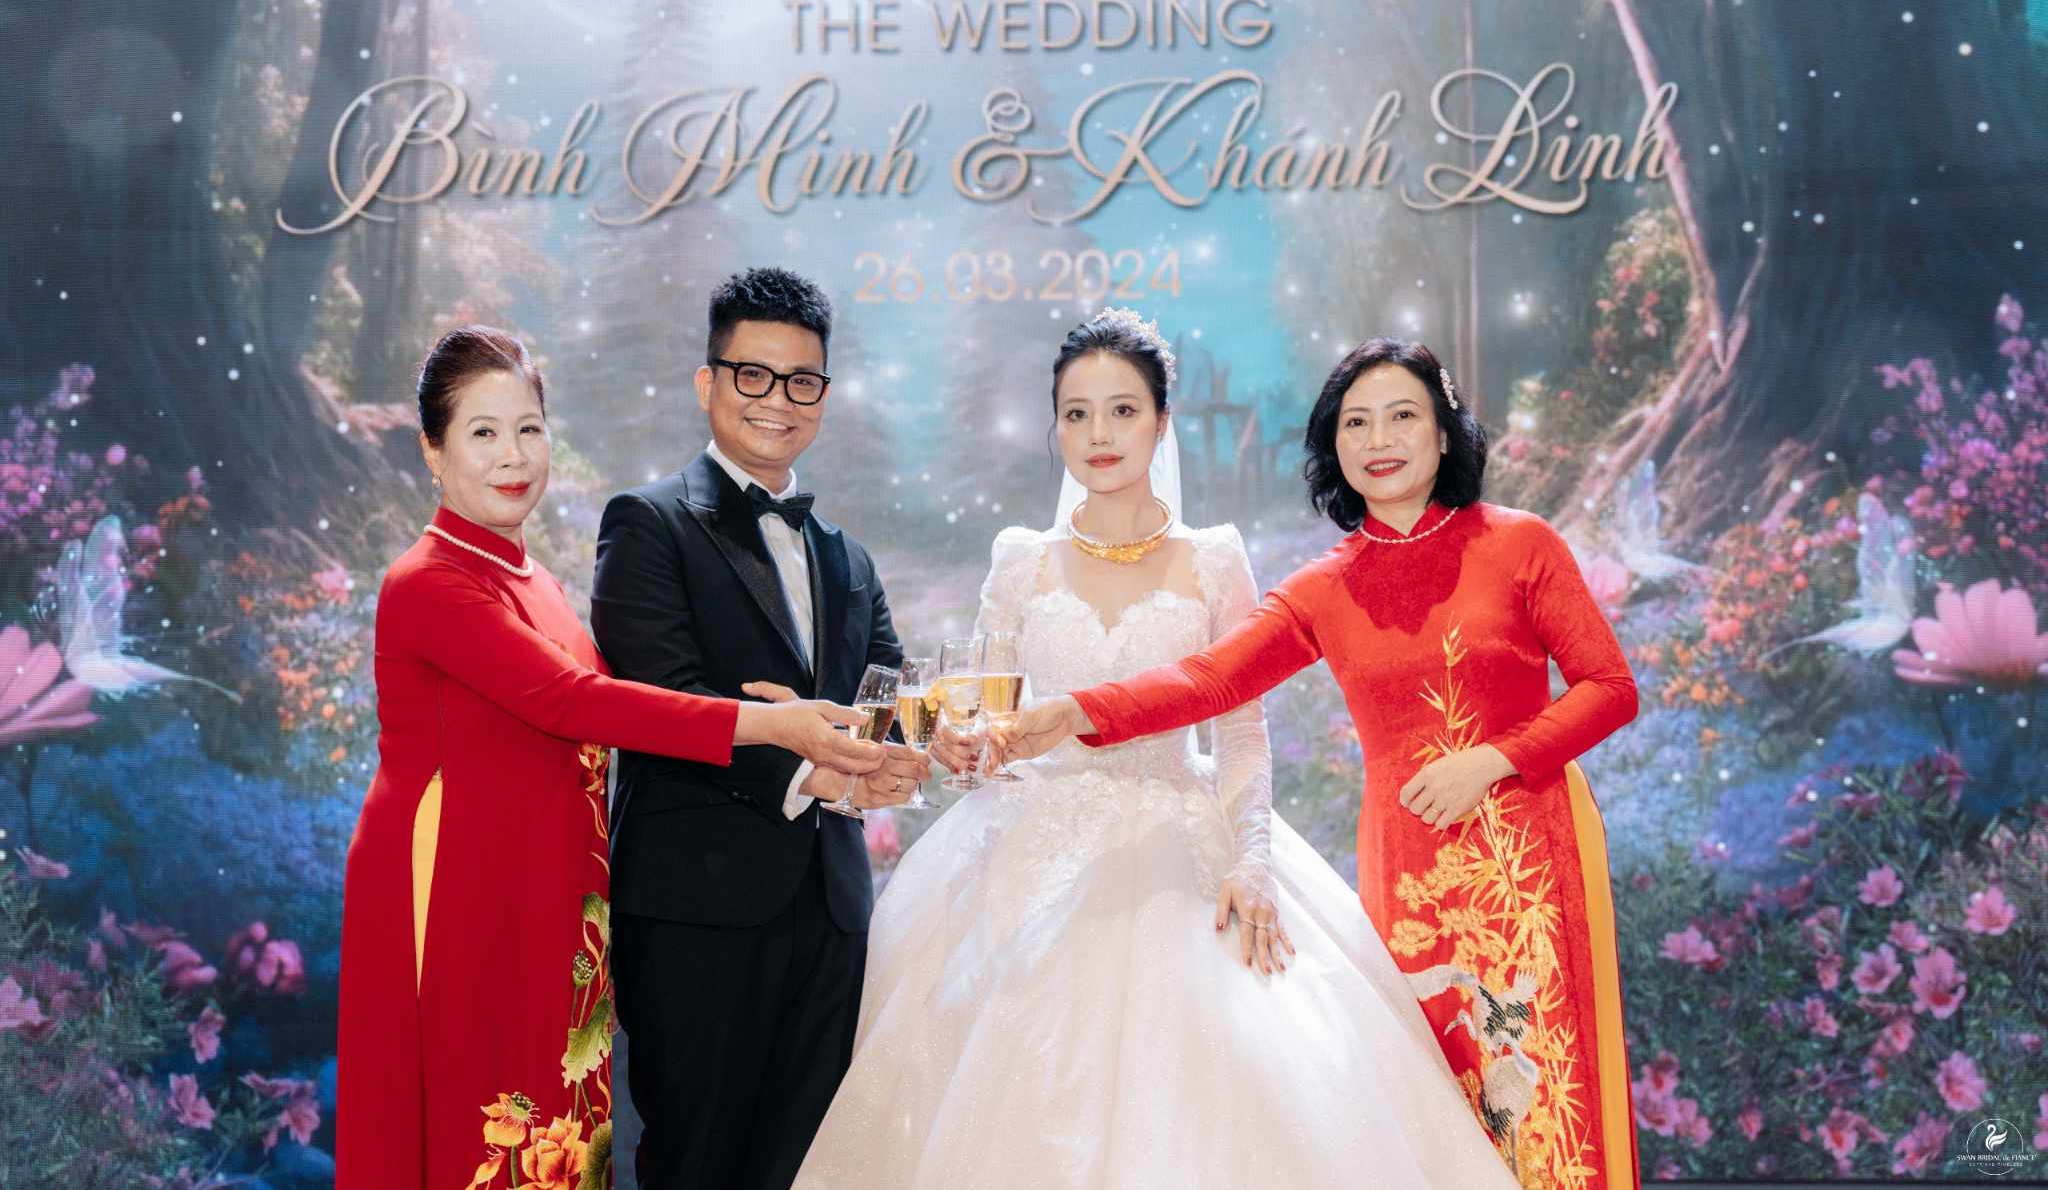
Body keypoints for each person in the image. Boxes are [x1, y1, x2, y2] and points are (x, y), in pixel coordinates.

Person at [793, 310, 1519, 1189]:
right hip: (1026, 851)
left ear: (1162, 420)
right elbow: (987, 718)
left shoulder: (1213, 559)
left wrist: (1252, 856)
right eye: (1076, 414)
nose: (1099, 434)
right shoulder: (1020, 559)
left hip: (1181, 840)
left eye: (1123, 410)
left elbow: (1241, 727)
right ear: (1056, 426)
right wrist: (965, 747)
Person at [1001, 336, 1641, 1190]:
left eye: (1402, 416)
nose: (1379, 439)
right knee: (1434, 1113)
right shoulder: (1324, 586)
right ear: (1332, 445)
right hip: (1407, 867)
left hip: (1524, 856)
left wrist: (1493, 758)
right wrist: (1078, 710)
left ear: (1443, 431)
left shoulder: (1520, 543)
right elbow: (1209, 678)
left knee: (1549, 1104)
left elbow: (1610, 687)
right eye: (1355, 422)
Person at [335, 325, 879, 1190]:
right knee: (476, 1121)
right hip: (464, 891)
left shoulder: (536, 582)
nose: (514, 455)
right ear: (432, 450)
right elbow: (578, 701)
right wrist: (775, 725)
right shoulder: (427, 580)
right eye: (483, 432)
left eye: (529, 428)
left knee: (557, 1127)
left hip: (551, 892)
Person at [593, 268, 927, 1190]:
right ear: (708, 382)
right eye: (753, 375)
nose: (778, 399)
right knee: (698, 1164)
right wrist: (804, 757)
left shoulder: (848, 556)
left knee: (811, 1169)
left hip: (834, 911)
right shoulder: (647, 523)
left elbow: (889, 696)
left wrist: (890, 762)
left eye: (802, 380)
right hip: (697, 913)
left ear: (824, 394)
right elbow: (661, 701)